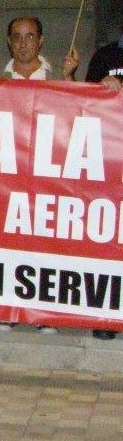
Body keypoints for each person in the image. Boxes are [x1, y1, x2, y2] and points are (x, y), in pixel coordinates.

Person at [0, 16, 78, 333]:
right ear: (9, 41)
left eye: (30, 37)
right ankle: (8, 309)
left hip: (47, 177)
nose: (24, 43)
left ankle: (44, 312)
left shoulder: (59, 77)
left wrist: (72, 77)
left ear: (41, 41)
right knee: (7, 244)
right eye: (17, 37)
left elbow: (78, 112)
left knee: (46, 245)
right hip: (9, 178)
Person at [83, 23, 123, 340]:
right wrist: (101, 88)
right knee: (108, 243)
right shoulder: (104, 55)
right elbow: (80, 103)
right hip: (108, 164)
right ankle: (105, 318)